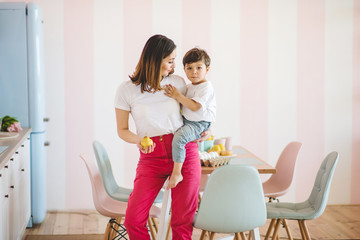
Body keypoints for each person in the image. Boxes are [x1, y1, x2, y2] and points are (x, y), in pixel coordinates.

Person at [114, 35, 207, 240]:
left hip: (183, 154)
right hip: (151, 157)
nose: (174, 66)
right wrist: (138, 140)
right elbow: (122, 130)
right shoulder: (126, 90)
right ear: (155, 59)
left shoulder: (177, 83)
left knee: (182, 221)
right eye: (170, 60)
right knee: (133, 220)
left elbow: (196, 111)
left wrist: (204, 129)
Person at [164, 48, 216, 189]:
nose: (194, 72)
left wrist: (177, 96)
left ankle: (177, 173)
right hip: (190, 121)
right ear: (184, 69)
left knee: (180, 138)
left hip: (199, 123)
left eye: (199, 68)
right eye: (190, 68)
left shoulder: (206, 87)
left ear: (207, 69)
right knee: (177, 134)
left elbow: (195, 107)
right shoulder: (189, 87)